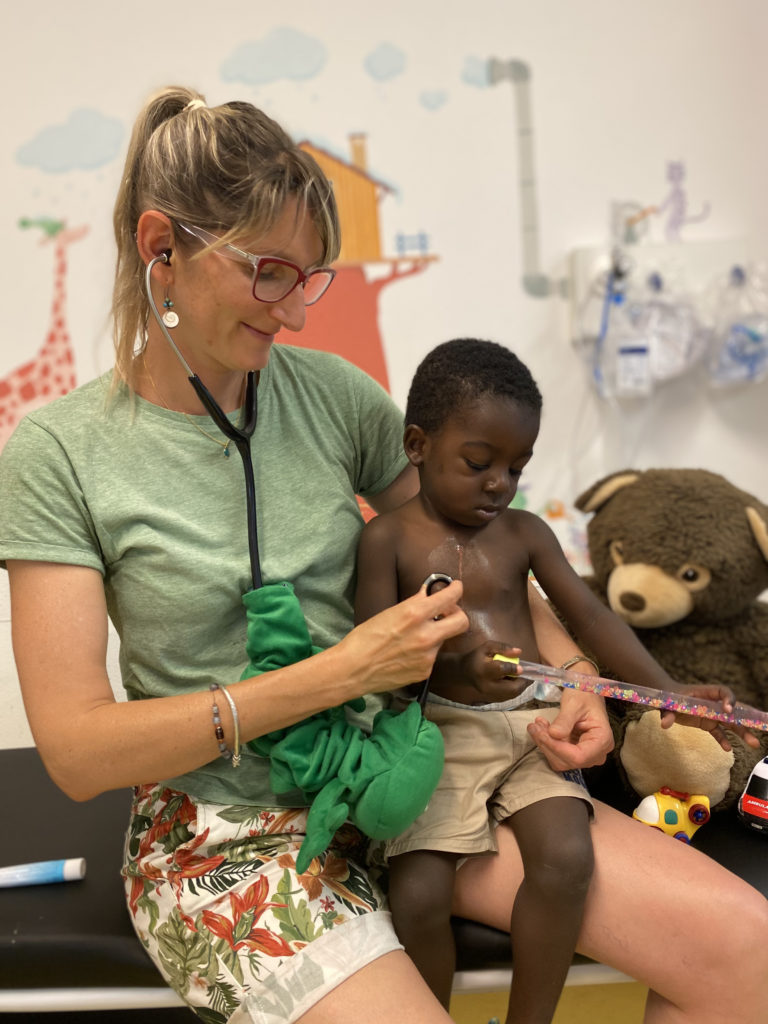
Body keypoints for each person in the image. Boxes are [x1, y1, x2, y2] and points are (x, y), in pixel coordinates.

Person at [0, 85, 765, 1024]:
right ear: (164, 247)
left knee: (745, 949)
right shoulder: (60, 455)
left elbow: (483, 569)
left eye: (310, 276)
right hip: (229, 836)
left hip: (420, 774)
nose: (296, 314)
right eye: (268, 273)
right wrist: (341, 672)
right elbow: (77, 752)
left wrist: (569, 674)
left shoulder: (331, 396)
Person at [353, 336, 762, 1024]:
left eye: (517, 467)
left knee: (567, 859)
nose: (499, 485)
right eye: (479, 463)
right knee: (418, 894)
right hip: (434, 734)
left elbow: (592, 617)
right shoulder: (384, 542)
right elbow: (375, 668)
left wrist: (667, 692)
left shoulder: (525, 534)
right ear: (417, 445)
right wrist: (447, 664)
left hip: (529, 725)